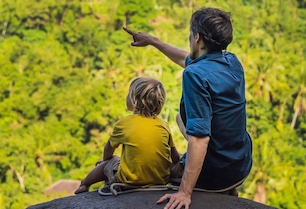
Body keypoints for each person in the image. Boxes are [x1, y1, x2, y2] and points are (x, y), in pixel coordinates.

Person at [123, 7, 253, 209]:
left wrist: (184, 192)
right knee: (179, 118)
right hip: (239, 164)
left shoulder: (194, 75)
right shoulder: (231, 61)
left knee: (162, 171)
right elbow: (187, 59)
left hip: (215, 174)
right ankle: (229, 187)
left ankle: (213, 185)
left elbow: (200, 138)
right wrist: (153, 41)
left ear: (197, 38)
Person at [74, 77, 180, 194]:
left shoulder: (124, 124)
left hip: (129, 180)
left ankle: (84, 184)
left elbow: (108, 149)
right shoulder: (163, 125)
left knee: (110, 162)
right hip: (160, 180)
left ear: (134, 100)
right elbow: (174, 157)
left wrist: (106, 162)